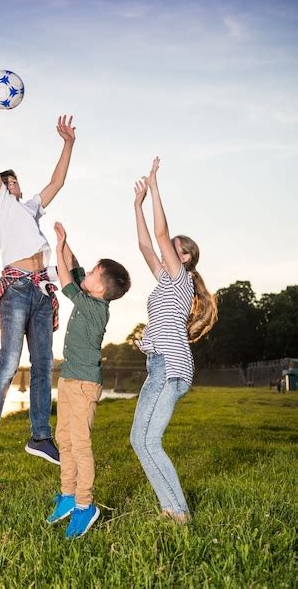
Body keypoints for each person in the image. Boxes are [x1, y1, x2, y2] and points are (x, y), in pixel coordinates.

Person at [0, 86, 76, 482]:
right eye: (10, 181)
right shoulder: (0, 203)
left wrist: (69, 144)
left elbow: (57, 181)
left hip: (42, 291)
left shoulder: (30, 210)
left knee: (45, 364)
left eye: (16, 181)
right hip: (16, 290)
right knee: (9, 363)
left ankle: (40, 437)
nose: (15, 184)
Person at [130, 157, 217, 524]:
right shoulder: (166, 280)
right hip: (159, 365)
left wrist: (155, 187)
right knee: (140, 440)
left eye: (175, 249)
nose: (167, 251)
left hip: (171, 366)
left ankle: (179, 512)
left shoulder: (182, 277)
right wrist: (137, 205)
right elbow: (145, 245)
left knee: (150, 441)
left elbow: (161, 236)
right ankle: (170, 507)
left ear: (185, 259)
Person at [47, 221, 131, 538]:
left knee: (81, 445)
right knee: (65, 439)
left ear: (100, 289)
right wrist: (65, 242)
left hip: (84, 385)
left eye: (95, 274)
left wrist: (58, 250)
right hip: (69, 379)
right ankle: (68, 496)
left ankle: (85, 505)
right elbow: (76, 267)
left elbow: (67, 280)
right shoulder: (91, 292)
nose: (89, 274)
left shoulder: (96, 308)